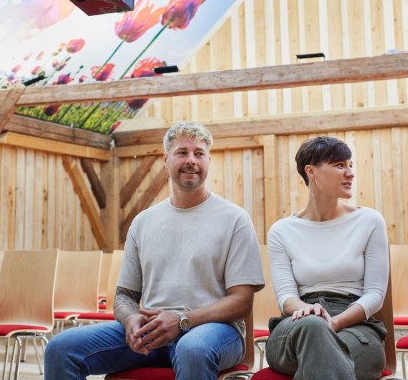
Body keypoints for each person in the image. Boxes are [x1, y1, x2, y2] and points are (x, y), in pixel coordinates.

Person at [45, 121, 265, 380]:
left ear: (208, 160)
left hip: (215, 331)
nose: (191, 160)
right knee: (61, 348)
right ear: (166, 159)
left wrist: (182, 320)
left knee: (191, 348)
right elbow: (125, 296)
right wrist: (130, 320)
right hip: (151, 332)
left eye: (199, 153)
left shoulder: (234, 219)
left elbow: (242, 302)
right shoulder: (144, 222)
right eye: (182, 152)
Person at [265, 136, 389, 380]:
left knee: (321, 356)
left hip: (355, 326)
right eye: (339, 165)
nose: (350, 173)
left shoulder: (370, 221)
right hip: (298, 323)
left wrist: (336, 322)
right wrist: (310, 312)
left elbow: (375, 294)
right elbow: (286, 298)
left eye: (350, 164)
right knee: (314, 329)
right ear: (312, 172)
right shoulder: (281, 231)